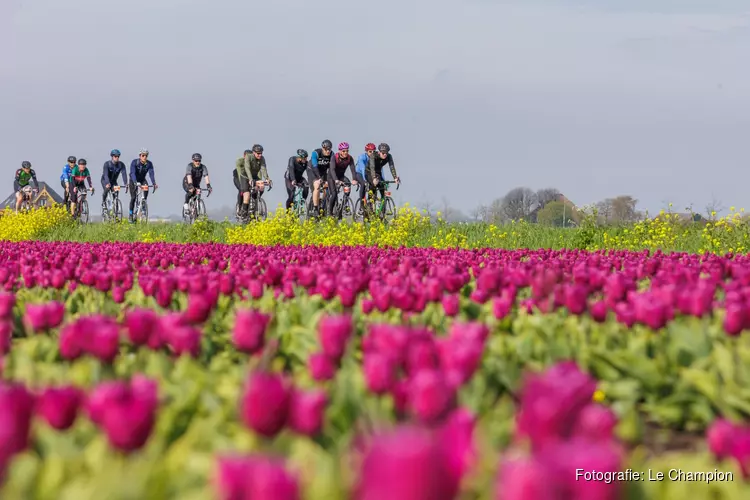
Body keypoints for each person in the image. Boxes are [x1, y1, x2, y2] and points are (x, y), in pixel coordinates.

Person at [234, 144, 270, 217]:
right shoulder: (248, 157)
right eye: (258, 153)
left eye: (261, 153)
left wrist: (267, 178)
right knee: (246, 194)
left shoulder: (262, 159)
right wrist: (250, 179)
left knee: (262, 186)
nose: (260, 155)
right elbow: (247, 168)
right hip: (245, 176)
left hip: (254, 176)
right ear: (253, 152)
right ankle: (243, 211)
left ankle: (256, 200)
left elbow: (263, 169)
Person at [327, 142, 356, 216]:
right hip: (332, 177)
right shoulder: (334, 157)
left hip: (341, 176)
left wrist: (354, 179)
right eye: (343, 151)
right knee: (334, 194)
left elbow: (353, 169)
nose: (345, 152)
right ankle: (329, 212)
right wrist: (336, 180)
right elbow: (332, 170)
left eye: (347, 151)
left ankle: (344, 205)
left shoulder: (350, 158)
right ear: (339, 151)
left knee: (348, 185)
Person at [129, 148, 158, 222]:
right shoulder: (134, 162)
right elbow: (132, 173)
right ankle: (131, 214)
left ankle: (143, 204)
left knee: (146, 188)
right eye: (143, 155)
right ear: (140, 156)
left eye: (146, 156)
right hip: (133, 180)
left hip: (142, 180)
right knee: (133, 197)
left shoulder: (149, 164)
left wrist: (154, 183)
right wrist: (135, 182)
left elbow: (151, 174)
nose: (144, 157)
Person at [309, 139, 333, 214]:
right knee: (317, 186)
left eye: (329, 149)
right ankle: (315, 208)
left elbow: (332, 168)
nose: (328, 151)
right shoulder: (316, 153)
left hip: (323, 172)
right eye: (326, 149)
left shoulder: (332, 154)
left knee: (327, 186)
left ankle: (323, 204)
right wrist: (319, 178)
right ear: (322, 148)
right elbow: (314, 166)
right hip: (312, 170)